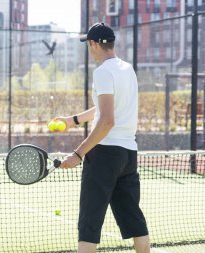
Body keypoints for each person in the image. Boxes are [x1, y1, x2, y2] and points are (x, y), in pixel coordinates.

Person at [54, 23, 150, 253]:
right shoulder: (127, 69)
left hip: (105, 155)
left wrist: (78, 154)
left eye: (89, 44)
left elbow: (107, 120)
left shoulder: (103, 72)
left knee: (89, 222)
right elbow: (104, 109)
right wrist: (72, 120)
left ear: (94, 44)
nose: (89, 48)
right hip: (128, 156)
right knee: (134, 219)